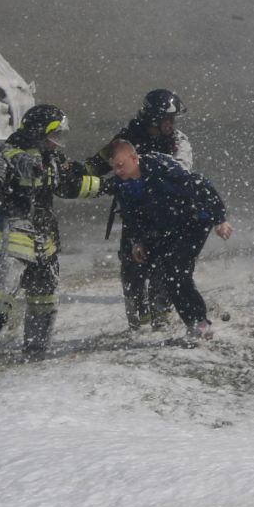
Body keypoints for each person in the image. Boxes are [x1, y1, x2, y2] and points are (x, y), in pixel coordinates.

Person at [0, 104, 106, 365]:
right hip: (12, 229)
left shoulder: (53, 160)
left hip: (43, 236)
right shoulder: (9, 155)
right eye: (55, 135)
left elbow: (69, 187)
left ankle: (36, 350)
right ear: (39, 133)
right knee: (5, 289)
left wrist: (111, 186)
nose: (59, 142)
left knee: (44, 293)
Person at [104, 139, 232, 344]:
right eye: (114, 167)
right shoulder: (123, 183)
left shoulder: (160, 167)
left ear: (134, 158)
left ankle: (201, 323)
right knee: (169, 275)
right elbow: (132, 215)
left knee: (178, 270)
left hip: (194, 220)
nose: (118, 171)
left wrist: (220, 219)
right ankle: (195, 324)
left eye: (121, 165)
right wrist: (138, 242)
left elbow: (200, 183)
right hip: (168, 227)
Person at [85, 88, 194, 330]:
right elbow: (97, 164)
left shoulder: (179, 142)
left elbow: (178, 173)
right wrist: (74, 173)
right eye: (168, 119)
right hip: (135, 219)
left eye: (173, 119)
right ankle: (138, 322)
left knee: (162, 270)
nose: (172, 124)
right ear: (153, 118)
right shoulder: (125, 139)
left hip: (167, 218)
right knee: (132, 271)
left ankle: (161, 319)